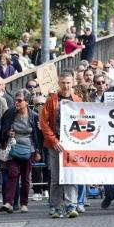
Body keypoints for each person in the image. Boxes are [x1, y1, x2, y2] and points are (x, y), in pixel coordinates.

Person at [39, 70, 83, 218]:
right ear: (59, 83)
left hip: (72, 145)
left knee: (72, 175)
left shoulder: (78, 100)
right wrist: (53, 140)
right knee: (56, 177)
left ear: (73, 83)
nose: (66, 86)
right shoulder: (51, 100)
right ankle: (56, 206)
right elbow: (43, 123)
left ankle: (72, 205)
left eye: (68, 83)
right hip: (55, 144)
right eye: (63, 83)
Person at [0, 89, 41, 214]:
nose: (16, 103)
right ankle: (9, 203)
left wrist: (38, 151)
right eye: (16, 100)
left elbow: (38, 135)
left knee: (26, 177)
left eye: (20, 100)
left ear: (27, 102)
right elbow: (2, 128)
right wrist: (7, 133)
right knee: (12, 173)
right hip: (13, 147)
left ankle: (24, 204)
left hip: (29, 149)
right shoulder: (10, 113)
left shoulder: (34, 116)